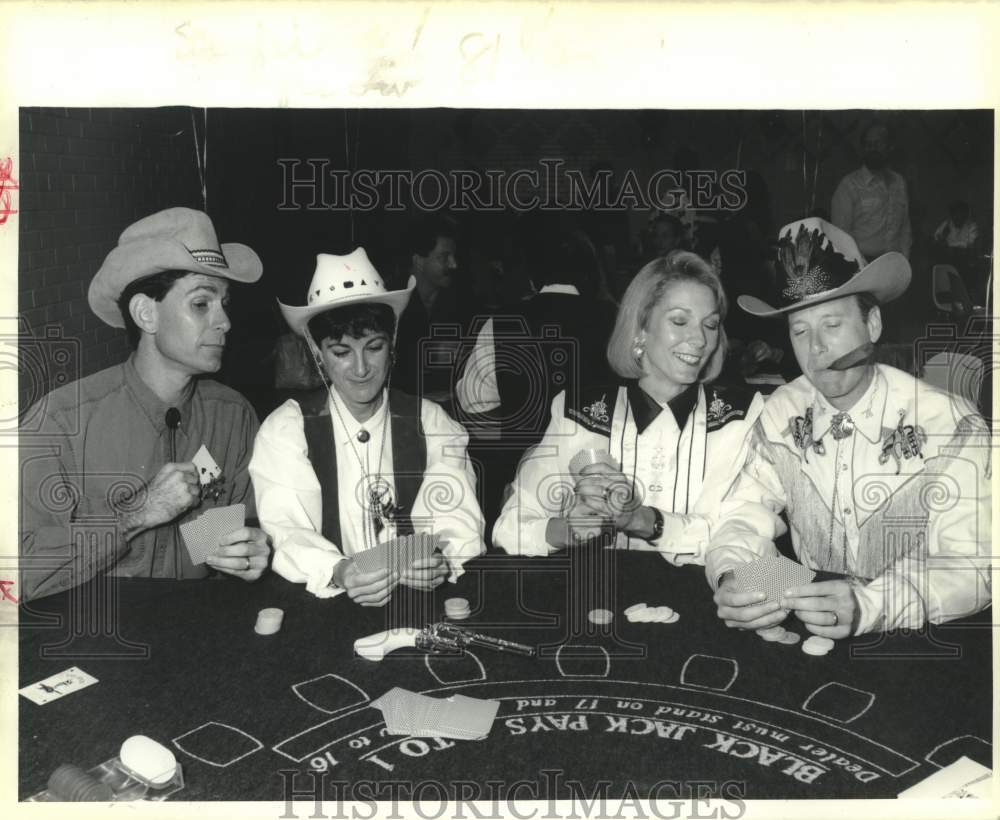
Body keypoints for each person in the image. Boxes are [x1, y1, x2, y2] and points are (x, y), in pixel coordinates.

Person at [707, 218, 991, 639]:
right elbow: (745, 514)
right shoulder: (782, 410)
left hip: (923, 638)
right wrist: (737, 577)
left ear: (872, 325)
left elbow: (977, 564)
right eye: (800, 330)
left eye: (833, 325)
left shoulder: (949, 424)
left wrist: (870, 606)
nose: (816, 348)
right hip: (813, 629)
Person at [20, 207, 271, 601]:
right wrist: (137, 514)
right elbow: (18, 573)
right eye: (202, 303)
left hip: (193, 634)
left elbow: (212, 547)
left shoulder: (231, 416)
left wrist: (240, 558)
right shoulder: (60, 421)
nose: (225, 321)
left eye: (225, 302)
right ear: (145, 313)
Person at [493, 250, 764, 561]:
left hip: (710, 601)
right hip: (599, 603)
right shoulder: (579, 413)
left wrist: (646, 521)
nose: (700, 339)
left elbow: (753, 540)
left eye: (711, 325)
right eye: (679, 320)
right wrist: (570, 529)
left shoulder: (742, 417)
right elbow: (507, 529)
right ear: (640, 329)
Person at [249, 248, 485, 604]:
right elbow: (286, 530)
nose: (361, 370)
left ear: (393, 344)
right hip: (324, 608)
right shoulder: (288, 428)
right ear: (317, 352)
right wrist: (342, 570)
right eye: (341, 352)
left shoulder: (430, 421)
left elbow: (457, 517)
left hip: (417, 606)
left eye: (373, 347)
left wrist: (437, 558)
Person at [390, 214, 466, 406]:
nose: (454, 264)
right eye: (444, 257)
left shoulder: (459, 301)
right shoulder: (391, 303)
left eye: (454, 256)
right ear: (419, 261)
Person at [831, 122, 912, 259]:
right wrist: (861, 268)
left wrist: (904, 261)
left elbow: (905, 227)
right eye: (868, 144)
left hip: (894, 264)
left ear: (890, 147)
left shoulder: (899, 182)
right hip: (861, 266)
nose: (872, 148)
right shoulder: (849, 185)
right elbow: (841, 234)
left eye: (878, 143)